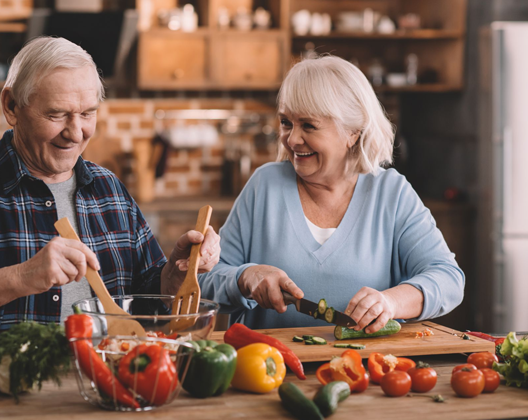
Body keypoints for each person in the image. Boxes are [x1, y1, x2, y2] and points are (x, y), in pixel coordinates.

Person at [0, 37, 220, 359]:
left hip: (105, 392)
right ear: (12, 106)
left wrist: (173, 276)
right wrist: (18, 278)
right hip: (6, 401)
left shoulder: (111, 190)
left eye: (87, 114)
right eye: (56, 115)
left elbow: (144, 300)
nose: (76, 133)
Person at [198, 56, 464, 333]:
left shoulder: (391, 193)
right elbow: (204, 281)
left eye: (308, 126)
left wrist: (390, 302)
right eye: (286, 123)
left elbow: (448, 279)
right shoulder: (264, 186)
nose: (292, 139)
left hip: (364, 370)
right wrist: (245, 277)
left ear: (353, 132)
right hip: (265, 368)